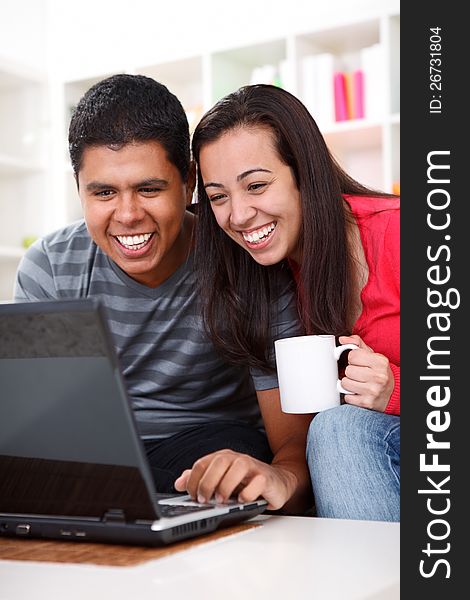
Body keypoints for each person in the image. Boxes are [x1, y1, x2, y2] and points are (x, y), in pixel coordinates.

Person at [14, 74, 314, 514]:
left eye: (149, 189)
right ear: (79, 189)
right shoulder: (51, 268)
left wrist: (277, 476)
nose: (128, 215)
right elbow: (40, 424)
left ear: (189, 182)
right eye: (103, 193)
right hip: (98, 458)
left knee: (229, 455)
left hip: (209, 450)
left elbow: (293, 444)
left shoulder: (246, 258)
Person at [191, 83, 400, 522]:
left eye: (257, 185)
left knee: (338, 428)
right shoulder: (261, 280)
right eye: (217, 197)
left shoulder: (401, 235)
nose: (239, 214)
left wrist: (394, 390)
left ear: (305, 173)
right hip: (364, 470)